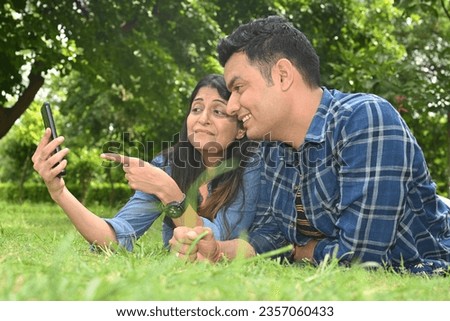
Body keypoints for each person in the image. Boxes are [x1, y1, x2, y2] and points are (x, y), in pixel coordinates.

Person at [170, 16, 450, 274]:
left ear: (282, 75)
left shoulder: (365, 119)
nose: (231, 107)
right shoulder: (270, 145)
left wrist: (304, 251)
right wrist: (218, 251)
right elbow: (269, 237)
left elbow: (360, 255)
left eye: (239, 88)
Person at [32, 74, 261, 255]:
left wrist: (168, 191)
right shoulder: (167, 165)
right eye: (196, 109)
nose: (203, 119)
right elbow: (116, 239)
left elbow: (215, 243)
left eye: (218, 111)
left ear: (241, 129)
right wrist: (59, 191)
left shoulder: (252, 169)